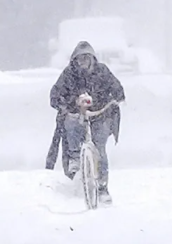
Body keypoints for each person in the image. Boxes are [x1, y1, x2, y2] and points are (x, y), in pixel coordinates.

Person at [48, 40, 125, 203]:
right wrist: (67, 105)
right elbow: (54, 94)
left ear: (92, 59)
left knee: (100, 149)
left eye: (86, 58)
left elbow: (117, 88)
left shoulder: (102, 71)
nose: (83, 62)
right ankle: (74, 158)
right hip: (77, 114)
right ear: (74, 60)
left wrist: (116, 99)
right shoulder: (69, 74)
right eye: (79, 58)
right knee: (71, 125)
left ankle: (103, 188)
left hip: (100, 115)